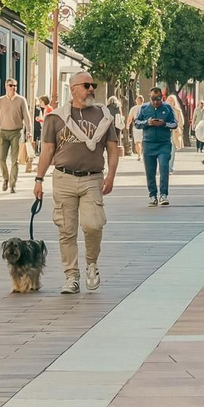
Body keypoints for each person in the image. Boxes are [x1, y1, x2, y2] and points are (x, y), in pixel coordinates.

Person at [34, 71, 121, 294]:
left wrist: (111, 175)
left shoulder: (104, 116)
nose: (91, 89)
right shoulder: (56, 118)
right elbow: (47, 150)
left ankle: (92, 264)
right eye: (86, 85)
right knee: (66, 229)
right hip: (63, 177)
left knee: (93, 225)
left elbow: (112, 148)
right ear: (73, 89)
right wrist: (39, 179)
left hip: (92, 178)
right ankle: (71, 276)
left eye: (93, 85)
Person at [137, 86, 178, 205]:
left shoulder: (168, 108)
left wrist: (164, 124)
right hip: (148, 144)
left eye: (158, 99)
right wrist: (147, 122)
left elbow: (174, 124)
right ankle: (153, 195)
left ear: (162, 97)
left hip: (163, 144)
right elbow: (137, 123)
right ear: (149, 98)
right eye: (153, 99)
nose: (155, 102)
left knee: (164, 168)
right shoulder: (144, 108)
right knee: (150, 171)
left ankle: (163, 194)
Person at [0, 79, 31, 192]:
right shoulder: (0, 100)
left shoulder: (21, 100)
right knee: (1, 158)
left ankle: (12, 185)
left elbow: (27, 117)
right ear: (6, 87)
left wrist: (28, 131)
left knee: (15, 161)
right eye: (10, 85)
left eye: (15, 85)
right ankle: (5, 178)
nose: (13, 87)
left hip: (16, 133)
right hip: (3, 132)